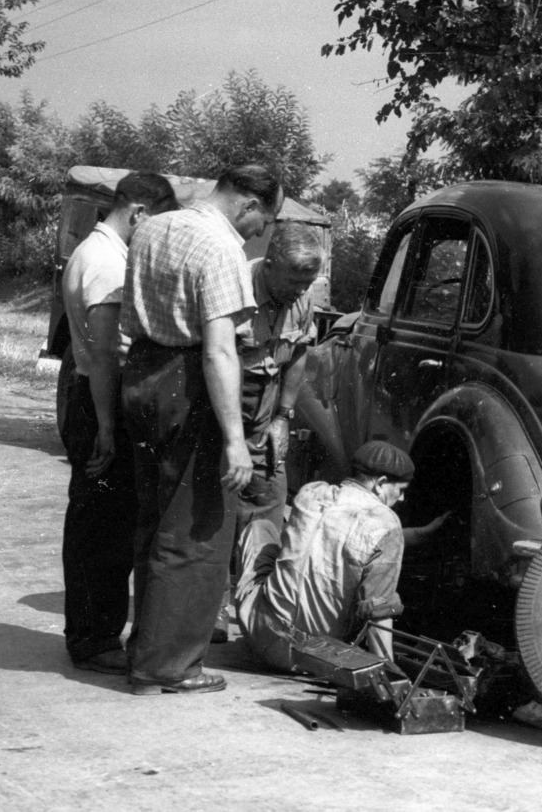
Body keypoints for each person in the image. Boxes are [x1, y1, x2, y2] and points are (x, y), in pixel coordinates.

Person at [118, 163, 282, 696]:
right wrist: (235, 439)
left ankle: (146, 648)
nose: (260, 233)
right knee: (196, 529)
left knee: (153, 519)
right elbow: (219, 352)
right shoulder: (221, 248)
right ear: (250, 204)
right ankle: (168, 667)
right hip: (187, 384)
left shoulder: (154, 226)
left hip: (142, 374)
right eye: (265, 221)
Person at [57, 171, 178, 675]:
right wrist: (107, 426)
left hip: (90, 393)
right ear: (139, 213)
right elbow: (106, 353)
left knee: (98, 520)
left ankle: (92, 632)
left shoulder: (94, 251)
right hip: (99, 398)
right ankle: (94, 638)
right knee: (103, 528)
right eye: (158, 224)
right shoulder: (107, 263)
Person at [234, 440, 415, 671]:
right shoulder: (387, 523)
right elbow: (378, 610)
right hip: (320, 657)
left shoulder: (310, 494)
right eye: (400, 490)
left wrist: (425, 532)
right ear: (380, 484)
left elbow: (346, 536)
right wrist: (388, 673)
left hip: (261, 635)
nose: (402, 499)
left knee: (260, 528)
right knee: (373, 592)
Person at [233, 221, 324, 535]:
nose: (301, 291)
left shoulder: (302, 298)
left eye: (307, 283)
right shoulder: (235, 288)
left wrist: (283, 416)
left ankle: (257, 563)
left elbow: (298, 351)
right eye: (294, 282)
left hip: (266, 403)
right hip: (224, 400)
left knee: (269, 491)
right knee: (221, 492)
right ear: (269, 266)